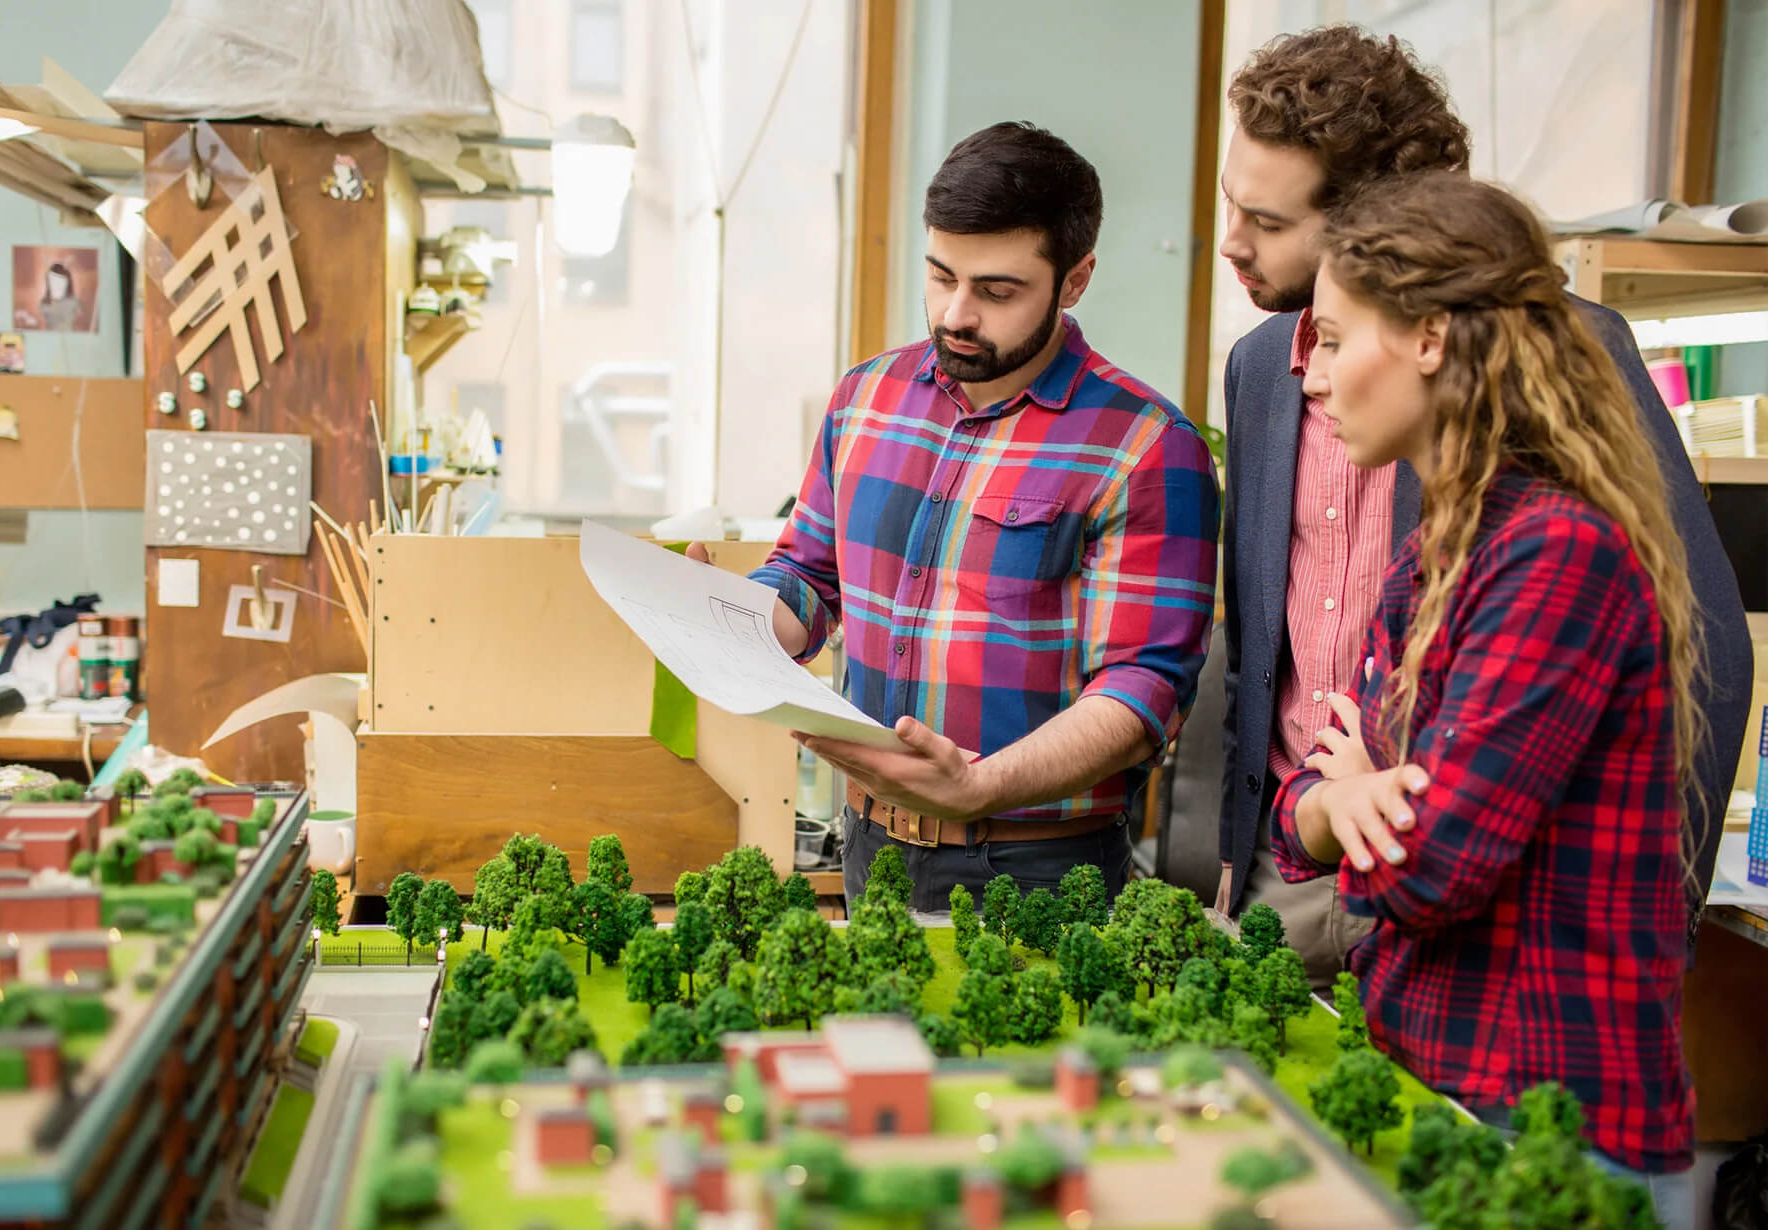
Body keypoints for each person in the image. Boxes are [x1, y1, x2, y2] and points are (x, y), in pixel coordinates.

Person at [1215, 25, 1751, 989]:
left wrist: (1654, 919)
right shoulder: (1259, 367)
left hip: (1477, 885)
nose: (1231, 242)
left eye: (1268, 220)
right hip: (1294, 857)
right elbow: (1260, 641)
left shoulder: (1553, 354)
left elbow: (1704, 641)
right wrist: (1254, 839)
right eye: (1229, 203)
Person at [1272, 171, 1702, 1227]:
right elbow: (1309, 810)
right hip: (1442, 1078)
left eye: (1334, 339)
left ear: (1427, 337)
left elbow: (1434, 870)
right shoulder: (1441, 554)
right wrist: (1338, 803)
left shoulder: (1555, 553)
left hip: (1546, 1120)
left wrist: (1353, 803)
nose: (1313, 379)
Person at [718, 121, 1219, 912]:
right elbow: (811, 574)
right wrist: (740, 623)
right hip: (869, 849)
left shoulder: (1146, 447)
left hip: (1038, 873)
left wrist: (979, 786)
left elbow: (1143, 689)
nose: (956, 313)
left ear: (1076, 278)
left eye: (997, 291)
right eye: (941, 275)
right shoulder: (865, 402)